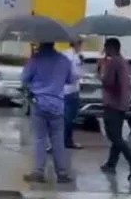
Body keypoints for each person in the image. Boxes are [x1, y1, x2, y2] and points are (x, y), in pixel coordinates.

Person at [22, 42, 75, 183]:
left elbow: (24, 78)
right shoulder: (64, 60)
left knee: (40, 139)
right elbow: (71, 79)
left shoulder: (36, 60)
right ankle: (62, 173)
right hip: (57, 105)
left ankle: (39, 171)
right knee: (58, 140)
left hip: (39, 103)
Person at [98, 38, 131, 181]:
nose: (105, 50)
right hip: (122, 103)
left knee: (114, 136)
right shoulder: (123, 62)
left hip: (113, 103)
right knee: (117, 135)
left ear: (111, 48)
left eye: (106, 47)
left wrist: (101, 73)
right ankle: (111, 163)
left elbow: (108, 82)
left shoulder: (114, 63)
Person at [63, 38, 84, 150]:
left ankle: (61, 140)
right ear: (76, 44)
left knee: (63, 117)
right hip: (71, 90)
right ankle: (67, 141)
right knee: (69, 118)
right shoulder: (75, 57)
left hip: (62, 90)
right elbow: (76, 74)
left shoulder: (64, 54)